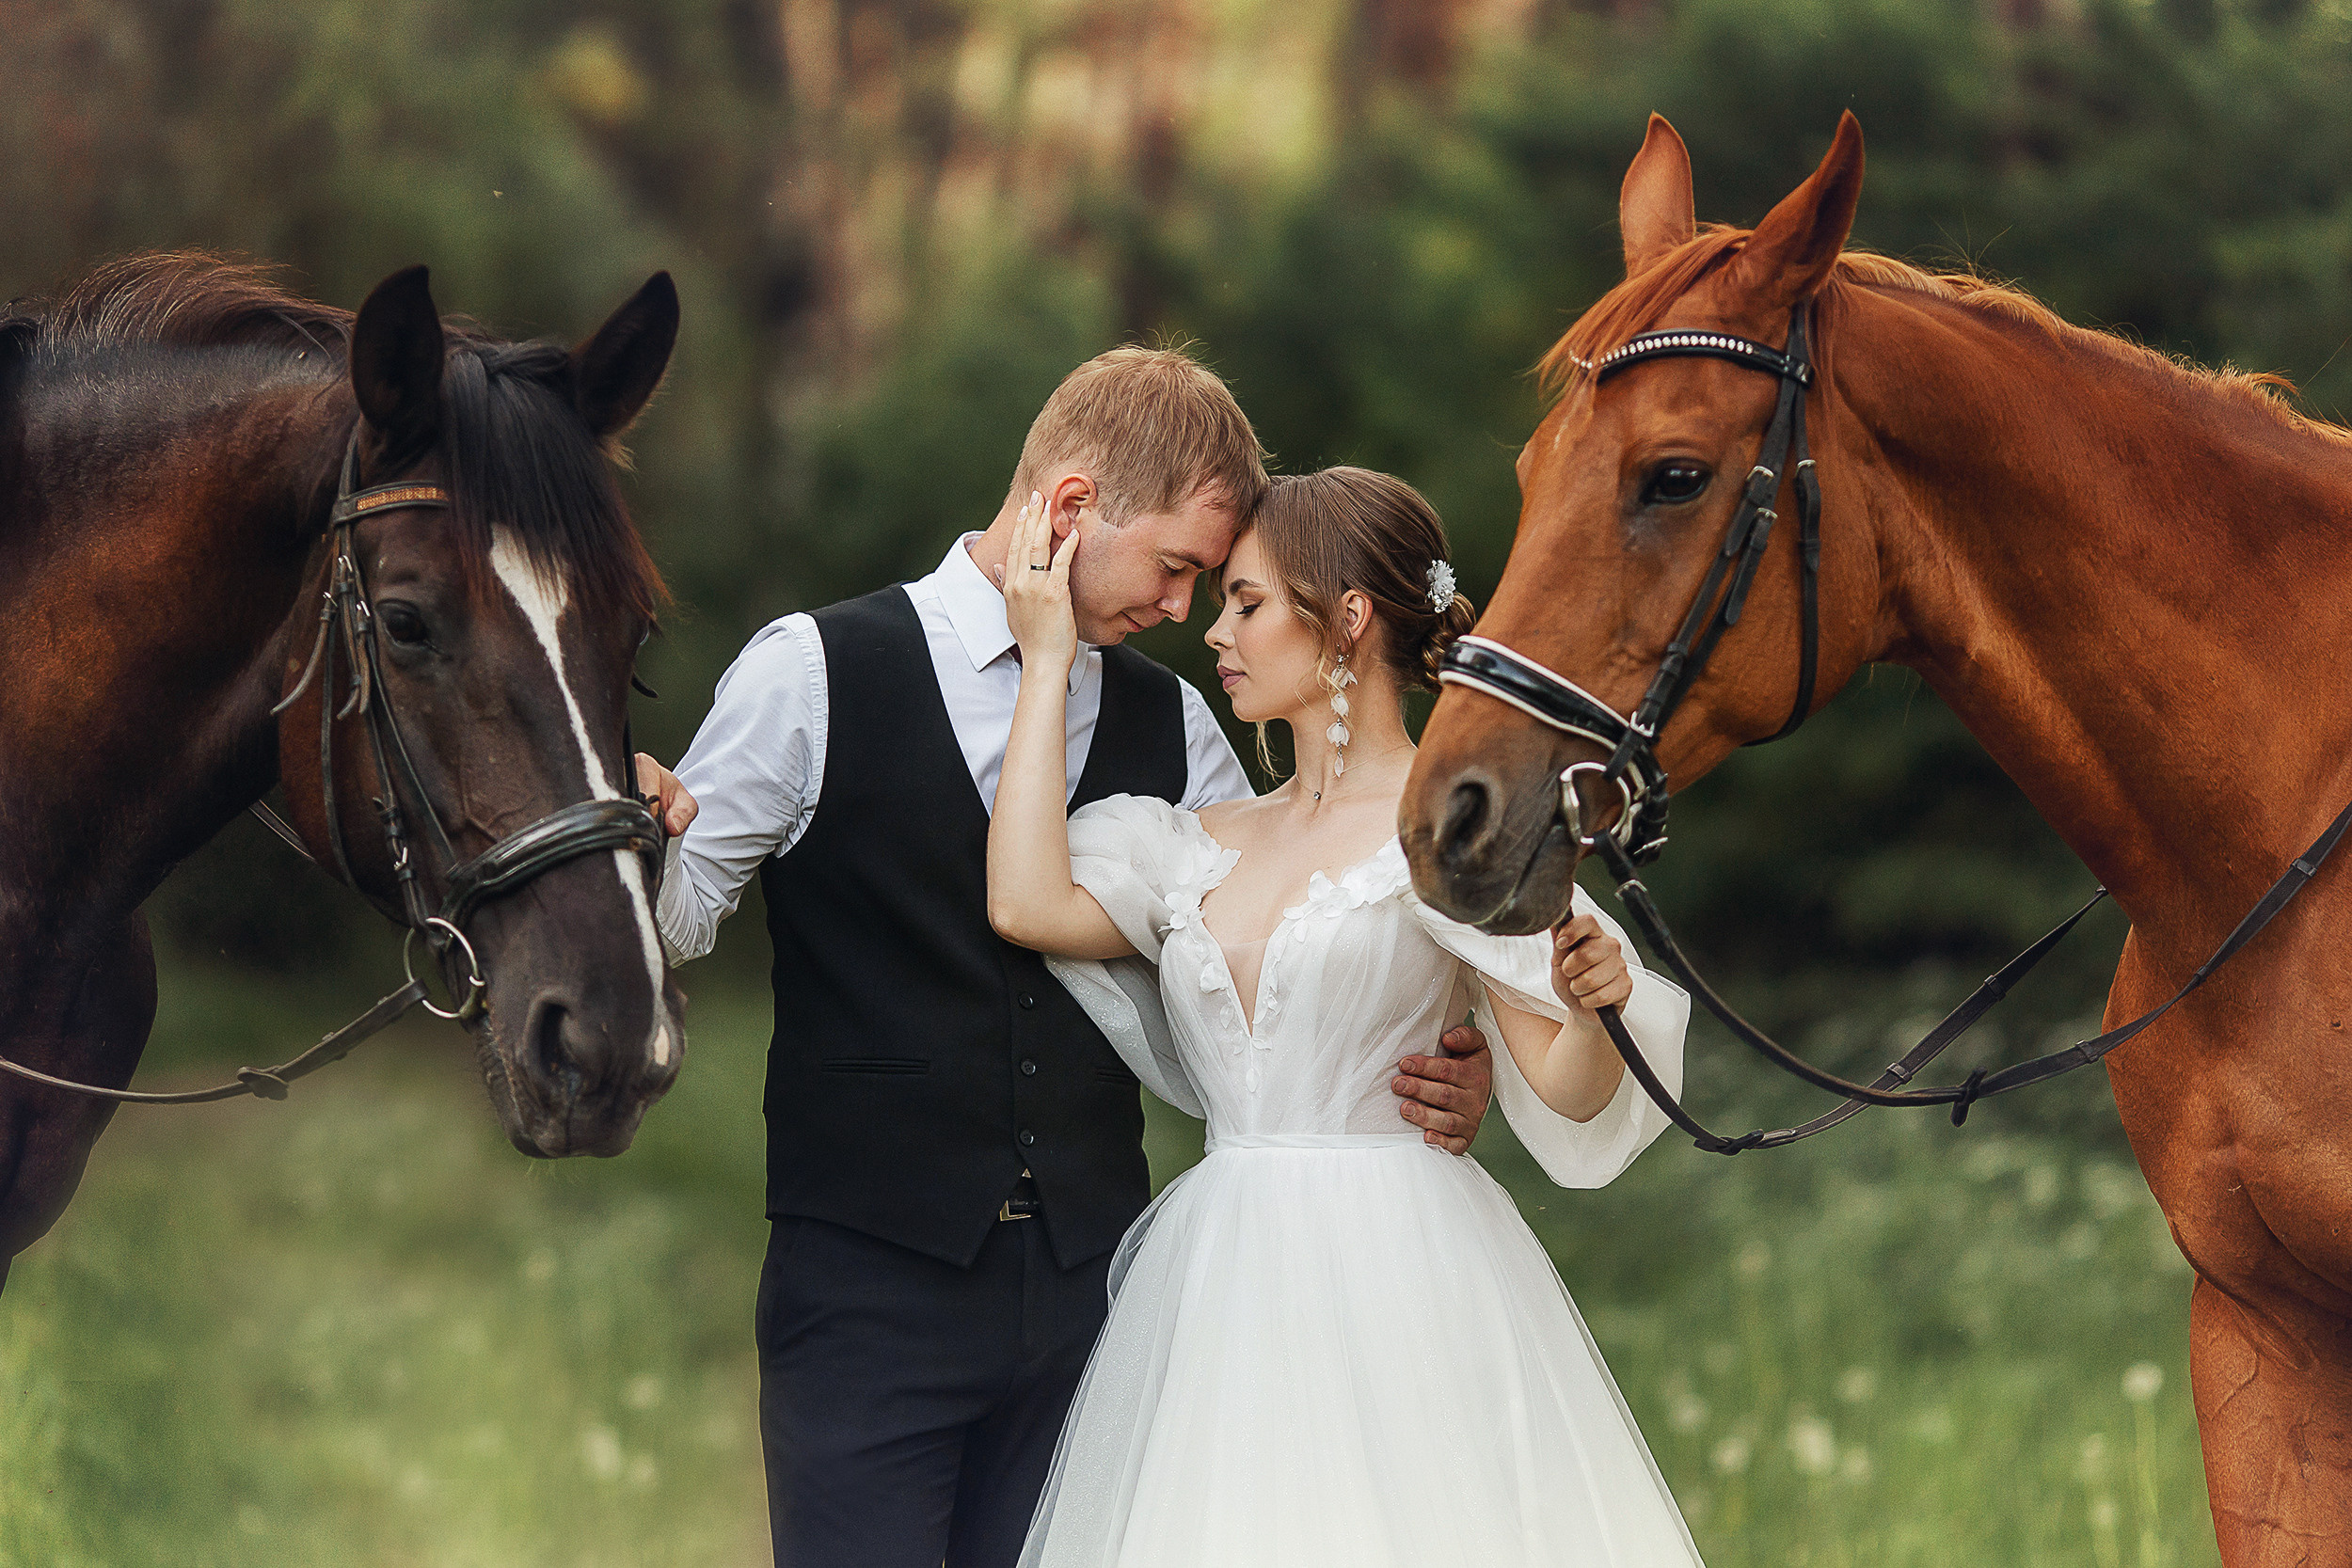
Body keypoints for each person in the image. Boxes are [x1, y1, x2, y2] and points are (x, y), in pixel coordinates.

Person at [632, 348, 1498, 1568]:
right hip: (867, 1297)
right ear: (1077, 509)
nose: (1185, 612)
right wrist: (626, 839)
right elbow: (669, 921)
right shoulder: (810, 671)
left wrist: (1427, 1061)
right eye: (1178, 568)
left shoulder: (1179, 725)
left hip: (1104, 1308)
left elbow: (1275, 957)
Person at [988, 467, 1704, 1566]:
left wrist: (1592, 1008)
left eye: (1246, 601)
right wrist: (1045, 661)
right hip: (1223, 1275)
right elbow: (1025, 899)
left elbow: (1564, 1087)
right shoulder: (1196, 837)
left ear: (1348, 619)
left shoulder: (1448, 833)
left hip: (1399, 1274)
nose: (1214, 630)